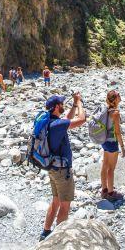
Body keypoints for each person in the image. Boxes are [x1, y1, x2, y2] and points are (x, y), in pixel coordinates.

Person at [41, 93, 86, 241]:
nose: (63, 105)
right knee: (65, 205)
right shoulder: (57, 125)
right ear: (55, 107)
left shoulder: (50, 122)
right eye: (61, 104)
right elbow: (81, 119)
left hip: (52, 168)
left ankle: (46, 233)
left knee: (55, 202)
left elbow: (67, 119)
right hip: (62, 171)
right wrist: (79, 103)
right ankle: (58, 240)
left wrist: (73, 104)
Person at [99, 90, 125, 201]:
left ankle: (104, 190)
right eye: (118, 95)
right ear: (115, 99)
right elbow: (117, 132)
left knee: (105, 164)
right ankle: (111, 193)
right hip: (112, 142)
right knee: (111, 168)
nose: (120, 96)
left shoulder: (106, 109)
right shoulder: (115, 113)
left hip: (104, 141)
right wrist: (123, 147)